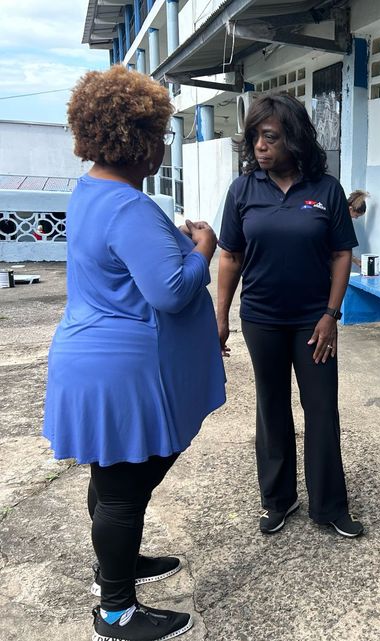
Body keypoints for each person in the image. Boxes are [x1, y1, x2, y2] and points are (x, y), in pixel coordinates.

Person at [43, 66, 225, 641]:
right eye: (162, 136)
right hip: (120, 369)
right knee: (124, 489)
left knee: (116, 478)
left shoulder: (91, 190)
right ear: (139, 139)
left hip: (96, 358)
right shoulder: (127, 205)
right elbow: (171, 292)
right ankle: (116, 613)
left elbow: (128, 264)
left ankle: (113, 570)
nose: (162, 148)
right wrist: (203, 248)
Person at [217, 94, 364, 538]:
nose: (260, 146)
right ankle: (278, 500)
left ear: (293, 138)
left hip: (312, 322)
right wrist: (219, 316)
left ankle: (329, 505)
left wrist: (331, 314)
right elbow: (229, 257)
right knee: (272, 407)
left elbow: (342, 255)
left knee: (321, 408)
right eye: (255, 137)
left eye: (270, 137)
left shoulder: (326, 189)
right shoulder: (243, 190)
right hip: (261, 320)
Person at [347, 190, 369, 270]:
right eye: (356, 215)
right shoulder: (341, 222)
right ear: (350, 209)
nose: (355, 218)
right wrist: (356, 261)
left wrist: (357, 261)